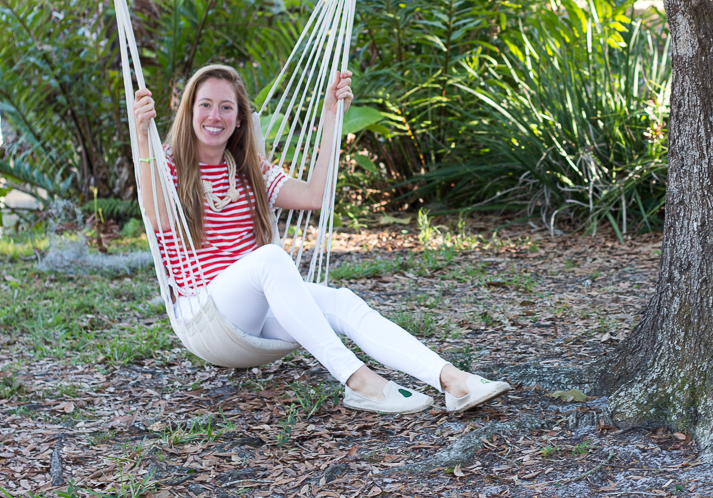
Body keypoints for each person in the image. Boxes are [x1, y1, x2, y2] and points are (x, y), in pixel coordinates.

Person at [132, 64, 509, 414]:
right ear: (189, 112)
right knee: (270, 258)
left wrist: (331, 118)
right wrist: (142, 139)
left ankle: (452, 381)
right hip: (208, 311)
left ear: (240, 119)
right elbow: (157, 216)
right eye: (206, 105)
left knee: (341, 302)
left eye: (226, 107)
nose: (215, 117)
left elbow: (316, 196)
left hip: (259, 308)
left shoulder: (251, 171)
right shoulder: (167, 165)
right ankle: (357, 379)